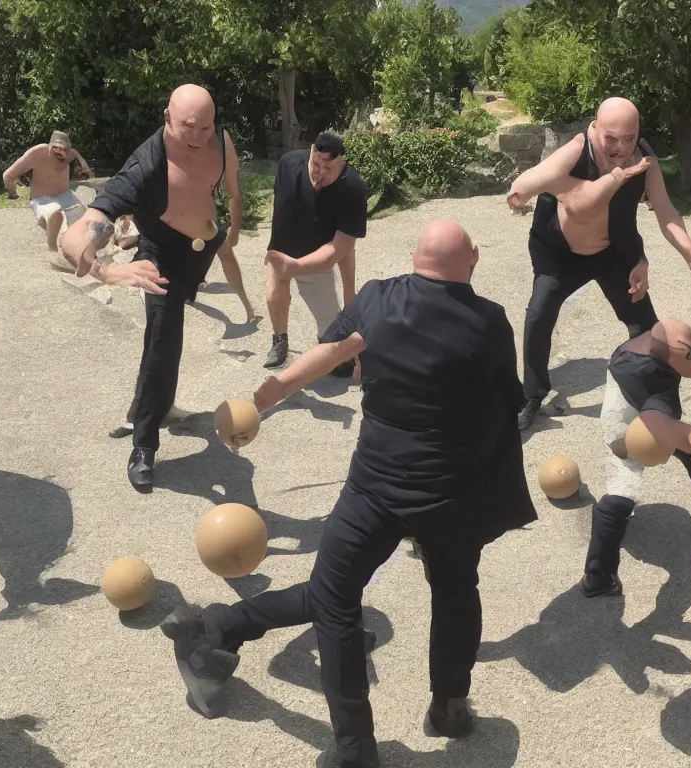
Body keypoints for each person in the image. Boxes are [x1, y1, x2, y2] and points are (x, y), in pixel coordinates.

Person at [161, 219, 537, 768]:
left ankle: (354, 748)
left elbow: (340, 349)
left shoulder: (380, 297)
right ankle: (450, 710)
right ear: (473, 260)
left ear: (414, 259)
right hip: (453, 496)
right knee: (455, 590)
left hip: (378, 491)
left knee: (335, 597)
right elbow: (510, 400)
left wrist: (275, 390)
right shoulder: (490, 321)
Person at [60, 84, 241, 492]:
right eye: (187, 127)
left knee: (161, 340)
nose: (198, 137)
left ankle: (148, 405)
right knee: (164, 342)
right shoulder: (145, 166)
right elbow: (73, 239)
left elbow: (231, 185)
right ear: (167, 118)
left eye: (206, 126)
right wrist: (106, 271)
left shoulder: (222, 142)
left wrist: (234, 226)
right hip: (160, 257)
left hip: (200, 251)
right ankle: (144, 446)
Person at [506, 97, 691, 430]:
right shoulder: (576, 150)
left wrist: (686, 246)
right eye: (611, 138)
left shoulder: (645, 161)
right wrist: (518, 195)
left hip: (613, 254)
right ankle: (532, 395)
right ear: (595, 128)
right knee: (539, 313)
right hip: (559, 256)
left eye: (629, 138)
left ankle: (654, 395)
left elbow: (665, 209)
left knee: (645, 326)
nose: (620, 147)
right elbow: (532, 180)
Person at [581, 318, 691, 599]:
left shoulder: (646, 343)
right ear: (671, 356)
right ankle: (598, 576)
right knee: (623, 491)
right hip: (626, 430)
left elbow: (653, 322)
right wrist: (688, 434)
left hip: (635, 410)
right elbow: (656, 421)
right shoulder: (655, 382)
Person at [262, 130, 368, 376]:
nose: (318, 172)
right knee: (275, 294)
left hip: (318, 259)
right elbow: (282, 212)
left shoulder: (353, 188)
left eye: (327, 168)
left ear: (342, 163)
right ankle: (280, 340)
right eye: (315, 163)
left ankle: (332, 345)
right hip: (284, 247)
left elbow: (342, 248)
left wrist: (349, 295)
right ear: (311, 152)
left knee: (339, 362)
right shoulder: (288, 164)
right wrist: (278, 257)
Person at [3, 131, 93, 258]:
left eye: (64, 151)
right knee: (56, 216)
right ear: (51, 147)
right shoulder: (38, 153)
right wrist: (13, 192)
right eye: (57, 149)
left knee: (86, 221)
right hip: (42, 200)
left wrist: (84, 163)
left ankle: (79, 247)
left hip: (66, 196)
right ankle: (56, 251)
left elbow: (74, 152)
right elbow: (8, 175)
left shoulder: (69, 154)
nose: (61, 154)